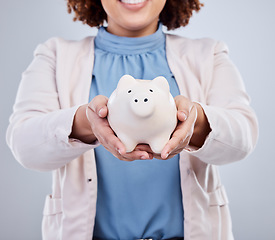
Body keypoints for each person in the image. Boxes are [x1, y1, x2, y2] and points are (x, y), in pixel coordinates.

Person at [6, 0, 258, 239]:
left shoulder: (208, 53)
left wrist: (195, 123)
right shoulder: (55, 55)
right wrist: (87, 123)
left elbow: (244, 137)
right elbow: (24, 145)